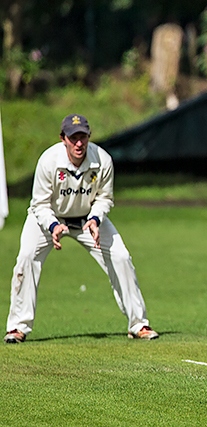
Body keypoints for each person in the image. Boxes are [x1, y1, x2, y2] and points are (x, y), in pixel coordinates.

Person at [4, 114, 158, 343]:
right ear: (63, 139)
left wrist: (95, 219)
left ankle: (138, 324)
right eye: (73, 137)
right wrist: (54, 226)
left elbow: (105, 198)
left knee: (121, 256)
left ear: (89, 137)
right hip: (49, 218)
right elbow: (39, 204)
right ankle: (17, 327)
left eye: (83, 137)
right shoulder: (49, 161)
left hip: (88, 220)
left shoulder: (102, 160)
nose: (79, 143)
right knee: (26, 258)